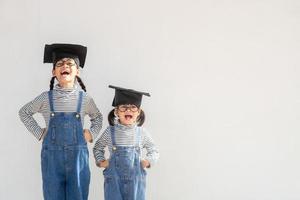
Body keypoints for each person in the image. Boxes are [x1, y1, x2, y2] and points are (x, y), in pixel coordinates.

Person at [19, 43, 103, 200]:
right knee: (53, 195)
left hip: (78, 159)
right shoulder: (45, 98)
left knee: (78, 195)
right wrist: (39, 132)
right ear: (54, 72)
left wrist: (91, 134)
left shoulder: (85, 99)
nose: (65, 66)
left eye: (70, 63)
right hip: (52, 160)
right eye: (60, 64)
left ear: (77, 71)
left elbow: (97, 117)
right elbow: (24, 112)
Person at [93, 85, 159, 200]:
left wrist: (148, 161)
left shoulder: (141, 133)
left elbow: (153, 149)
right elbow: (97, 147)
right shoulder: (110, 131)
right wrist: (101, 161)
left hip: (136, 182)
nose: (128, 110)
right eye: (123, 107)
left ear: (138, 112)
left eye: (133, 107)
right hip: (113, 181)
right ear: (116, 112)